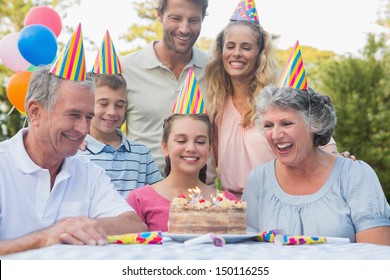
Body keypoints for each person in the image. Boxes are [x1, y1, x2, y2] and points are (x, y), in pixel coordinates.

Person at [0, 65, 148, 256]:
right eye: (73, 115)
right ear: (35, 112)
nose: (84, 129)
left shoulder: (89, 173)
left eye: (88, 117)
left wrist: (85, 226)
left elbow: (135, 226)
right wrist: (46, 237)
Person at [205, 19, 342, 199]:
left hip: (281, 199)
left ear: (260, 53)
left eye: (246, 47)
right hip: (234, 207)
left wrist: (338, 161)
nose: (236, 53)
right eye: (230, 46)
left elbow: (319, 139)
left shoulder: (277, 97)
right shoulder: (215, 102)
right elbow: (207, 167)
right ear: (221, 51)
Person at [243, 85, 390, 245]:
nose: (276, 135)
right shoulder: (258, 179)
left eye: (286, 123)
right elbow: (248, 247)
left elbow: (375, 254)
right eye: (268, 125)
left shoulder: (355, 175)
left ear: (314, 124)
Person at [120, 0, 209, 179]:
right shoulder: (125, 68)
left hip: (196, 195)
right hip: (141, 189)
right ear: (159, 15)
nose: (184, 29)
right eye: (175, 18)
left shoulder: (214, 69)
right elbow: (102, 127)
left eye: (193, 20)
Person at [126, 114, 237, 231]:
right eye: (181, 140)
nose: (191, 148)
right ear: (164, 147)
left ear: (209, 149)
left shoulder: (227, 202)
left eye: (200, 142)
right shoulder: (139, 200)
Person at [77, 73, 163, 199]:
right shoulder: (75, 152)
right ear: (88, 105)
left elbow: (160, 197)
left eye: (119, 105)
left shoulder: (141, 154)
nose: (112, 112)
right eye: (103, 103)